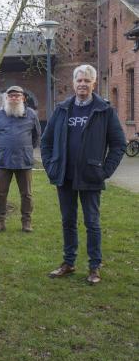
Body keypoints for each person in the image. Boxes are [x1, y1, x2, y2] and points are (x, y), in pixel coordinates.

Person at [41, 64, 126, 284]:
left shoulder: (104, 111)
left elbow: (118, 144)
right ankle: (69, 262)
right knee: (68, 221)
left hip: (91, 177)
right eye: (79, 80)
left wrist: (105, 171)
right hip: (65, 176)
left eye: (87, 81)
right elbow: (46, 141)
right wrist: (51, 166)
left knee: (92, 223)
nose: (83, 84)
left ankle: (94, 266)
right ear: (73, 83)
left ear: (94, 84)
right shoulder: (62, 109)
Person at [0, 85, 41, 233]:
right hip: (4, 161)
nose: (14, 98)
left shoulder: (31, 114)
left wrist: (25, 149)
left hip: (24, 162)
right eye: (11, 96)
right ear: (7, 98)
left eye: (17, 96)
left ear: (23, 98)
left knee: (26, 194)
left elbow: (36, 136)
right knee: (0, 193)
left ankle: (26, 222)